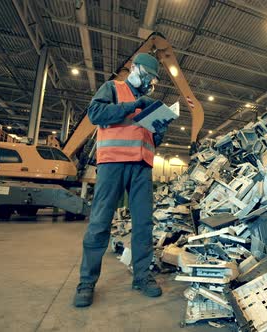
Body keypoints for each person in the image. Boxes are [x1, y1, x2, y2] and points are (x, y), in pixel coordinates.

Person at [74, 53, 172, 307]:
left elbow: (149, 139)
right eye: (148, 75)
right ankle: (86, 282)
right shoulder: (113, 88)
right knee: (100, 222)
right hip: (113, 163)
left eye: (153, 79)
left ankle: (142, 276)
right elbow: (96, 114)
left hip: (141, 166)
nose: (150, 81)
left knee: (143, 224)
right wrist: (133, 105)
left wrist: (159, 129)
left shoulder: (148, 102)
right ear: (135, 68)